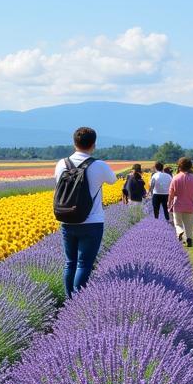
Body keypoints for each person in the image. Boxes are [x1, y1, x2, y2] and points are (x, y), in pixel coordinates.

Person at [53, 127, 118, 298]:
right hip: (91, 221)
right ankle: (77, 302)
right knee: (84, 265)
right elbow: (113, 180)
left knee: (70, 263)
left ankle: (70, 301)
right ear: (93, 144)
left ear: (74, 143)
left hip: (66, 219)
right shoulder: (98, 165)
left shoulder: (61, 164)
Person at [168, 157, 193, 247]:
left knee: (178, 223)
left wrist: (169, 203)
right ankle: (189, 239)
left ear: (179, 167)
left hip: (178, 205)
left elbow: (171, 193)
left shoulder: (175, 178)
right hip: (190, 205)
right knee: (189, 225)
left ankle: (180, 232)